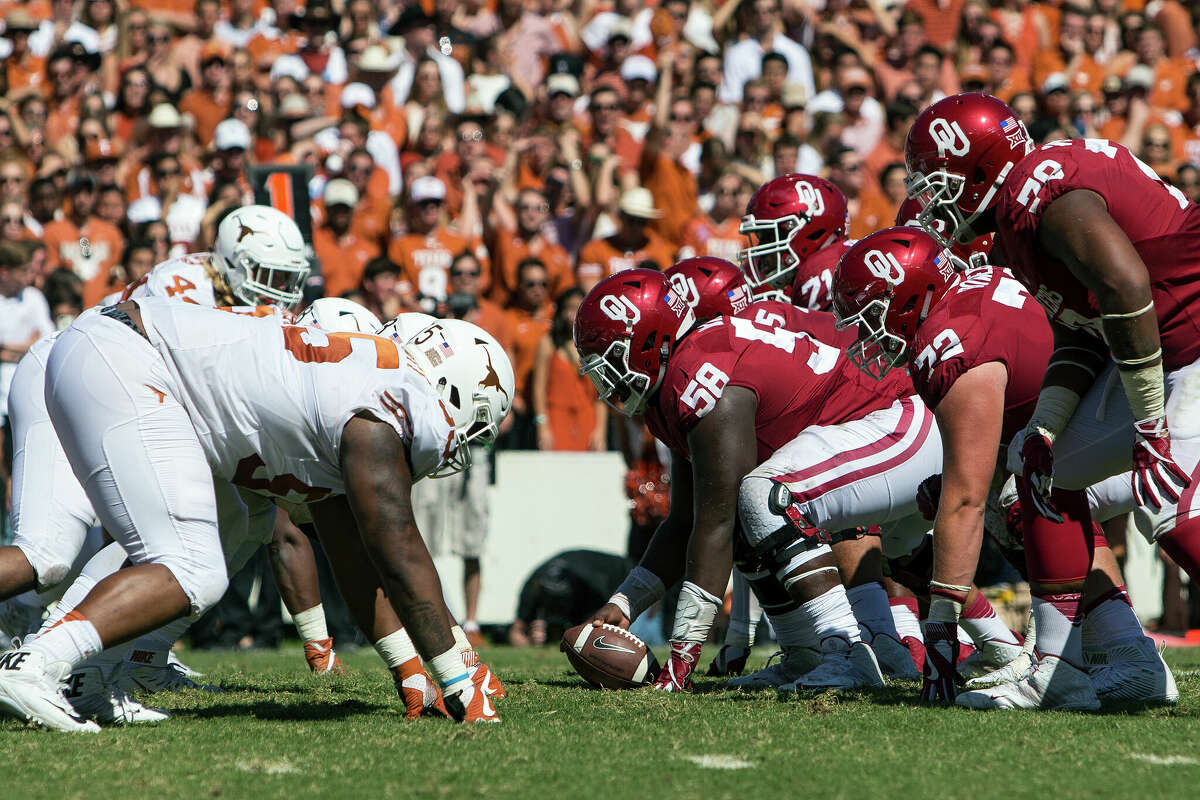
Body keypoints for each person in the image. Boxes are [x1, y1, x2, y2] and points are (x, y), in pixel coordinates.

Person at [0, 292, 513, 731]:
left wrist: (410, 670)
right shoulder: (389, 403)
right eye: (475, 427)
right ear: (450, 389)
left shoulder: (359, 385)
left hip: (118, 352)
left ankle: (86, 679)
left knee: (205, 536)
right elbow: (398, 553)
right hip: (124, 359)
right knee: (189, 566)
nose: (459, 449)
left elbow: (354, 558)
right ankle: (37, 662)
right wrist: (457, 680)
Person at [906, 92, 1200, 707]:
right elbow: (1081, 336)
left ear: (979, 167)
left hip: (1191, 339)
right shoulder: (1014, 227)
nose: (935, 200)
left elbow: (1126, 283)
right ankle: (1058, 670)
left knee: (1170, 506)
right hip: (1167, 349)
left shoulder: (1043, 193)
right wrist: (1043, 426)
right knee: (1041, 471)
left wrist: (1149, 422)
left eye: (940, 182)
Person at [833, 227, 1174, 710]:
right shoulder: (978, 284)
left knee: (1026, 488)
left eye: (870, 315)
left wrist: (941, 627)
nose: (866, 335)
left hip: (1136, 415)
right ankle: (1125, 654)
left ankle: (1085, 663)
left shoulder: (948, 341)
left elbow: (965, 499)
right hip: (1114, 397)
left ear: (911, 294)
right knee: (1015, 487)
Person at [576, 268, 944, 692]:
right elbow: (684, 522)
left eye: (610, 359)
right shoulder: (674, 381)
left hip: (900, 417)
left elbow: (715, 525)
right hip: (875, 426)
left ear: (648, 341)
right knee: (747, 510)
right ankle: (805, 657)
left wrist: (682, 657)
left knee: (765, 498)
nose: (604, 380)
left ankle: (848, 652)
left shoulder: (700, 372)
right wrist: (624, 602)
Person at [738, 173, 850, 309]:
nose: (762, 250)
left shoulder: (833, 279)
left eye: (771, 237)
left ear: (812, 233)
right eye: (762, 238)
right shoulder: (800, 282)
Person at [531, 288, 605, 452]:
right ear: (561, 311)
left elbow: (600, 395)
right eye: (570, 307)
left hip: (587, 417)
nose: (574, 313)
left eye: (579, 307)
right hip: (556, 417)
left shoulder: (595, 346)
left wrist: (600, 430)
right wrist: (542, 425)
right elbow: (538, 390)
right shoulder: (548, 343)